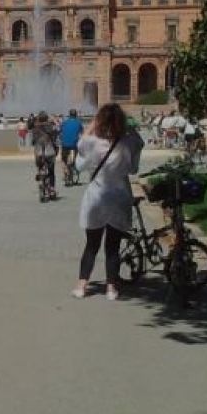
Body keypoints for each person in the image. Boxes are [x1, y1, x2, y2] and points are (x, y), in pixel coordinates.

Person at [72, 103, 144, 301]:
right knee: (113, 247)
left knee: (91, 245)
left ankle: (82, 285)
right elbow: (133, 168)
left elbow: (79, 162)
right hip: (119, 198)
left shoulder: (92, 142)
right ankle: (111, 288)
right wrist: (128, 128)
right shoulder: (128, 142)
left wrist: (92, 125)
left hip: (96, 198)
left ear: (100, 121)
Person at [32, 111, 59, 199]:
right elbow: (56, 136)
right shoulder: (51, 127)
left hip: (39, 153)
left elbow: (33, 142)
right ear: (47, 118)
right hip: (50, 152)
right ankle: (51, 189)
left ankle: (40, 175)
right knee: (51, 172)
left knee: (40, 166)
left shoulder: (35, 128)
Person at [59, 109, 84, 179]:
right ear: (76, 115)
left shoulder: (64, 122)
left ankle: (65, 172)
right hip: (74, 144)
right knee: (77, 156)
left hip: (65, 144)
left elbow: (60, 131)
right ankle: (75, 167)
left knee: (63, 159)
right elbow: (82, 133)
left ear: (69, 115)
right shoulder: (79, 123)